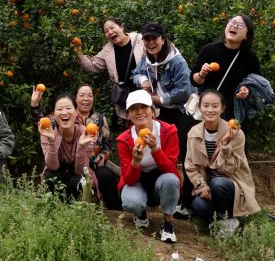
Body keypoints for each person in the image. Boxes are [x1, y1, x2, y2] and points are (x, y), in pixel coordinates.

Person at [131, 22, 197, 216]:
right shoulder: (147, 58)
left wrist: (157, 99)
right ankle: (169, 196)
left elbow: (184, 91)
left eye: (154, 39)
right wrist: (143, 80)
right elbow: (136, 73)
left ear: (163, 39)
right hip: (163, 111)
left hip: (182, 111)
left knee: (186, 154)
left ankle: (186, 200)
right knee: (166, 152)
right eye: (147, 39)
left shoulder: (176, 61)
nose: (151, 43)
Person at [185, 89, 260, 237]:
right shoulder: (193, 133)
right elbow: (190, 166)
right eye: (206, 105)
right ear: (199, 107)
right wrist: (202, 186)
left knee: (218, 183)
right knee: (197, 204)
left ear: (222, 108)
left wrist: (225, 144)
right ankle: (224, 221)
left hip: (230, 183)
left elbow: (230, 168)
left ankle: (227, 218)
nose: (210, 110)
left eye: (215, 106)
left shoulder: (236, 133)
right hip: (209, 184)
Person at [116, 90, 181, 244]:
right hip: (138, 182)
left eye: (144, 107)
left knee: (171, 180)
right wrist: (135, 162)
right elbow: (129, 180)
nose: (139, 112)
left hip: (161, 180)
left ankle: (168, 223)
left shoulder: (168, 131)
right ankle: (140, 214)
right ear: (128, 115)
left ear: (153, 111)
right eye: (134, 109)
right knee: (131, 201)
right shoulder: (124, 140)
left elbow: (171, 169)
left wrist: (155, 149)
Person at [191, 15, 261, 121]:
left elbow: (256, 85)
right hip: (207, 111)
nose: (234, 26)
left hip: (233, 115)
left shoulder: (250, 58)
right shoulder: (209, 50)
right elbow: (194, 81)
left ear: (247, 35)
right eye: (232, 22)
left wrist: (246, 91)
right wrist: (202, 74)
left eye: (240, 25)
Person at [31, 89, 97, 201]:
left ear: (76, 112)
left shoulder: (86, 133)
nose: (64, 112)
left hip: (78, 174)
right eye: (59, 109)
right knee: (50, 175)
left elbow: (80, 170)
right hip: (57, 172)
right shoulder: (47, 132)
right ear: (53, 114)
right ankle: (53, 207)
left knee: (77, 181)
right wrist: (52, 140)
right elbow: (52, 166)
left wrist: (81, 146)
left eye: (68, 108)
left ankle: (78, 209)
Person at [75, 17, 145, 123]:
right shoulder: (107, 50)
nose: (110, 32)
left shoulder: (140, 39)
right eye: (106, 31)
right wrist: (78, 52)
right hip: (127, 97)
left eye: (112, 28)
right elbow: (92, 66)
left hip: (146, 92)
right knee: (133, 126)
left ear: (121, 27)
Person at [75, 83, 120, 210]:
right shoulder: (69, 117)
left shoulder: (100, 119)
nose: (86, 99)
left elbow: (106, 146)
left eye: (90, 95)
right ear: (75, 98)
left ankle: (116, 211)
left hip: (95, 163)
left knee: (106, 177)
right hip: (75, 164)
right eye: (82, 95)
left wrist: (96, 162)